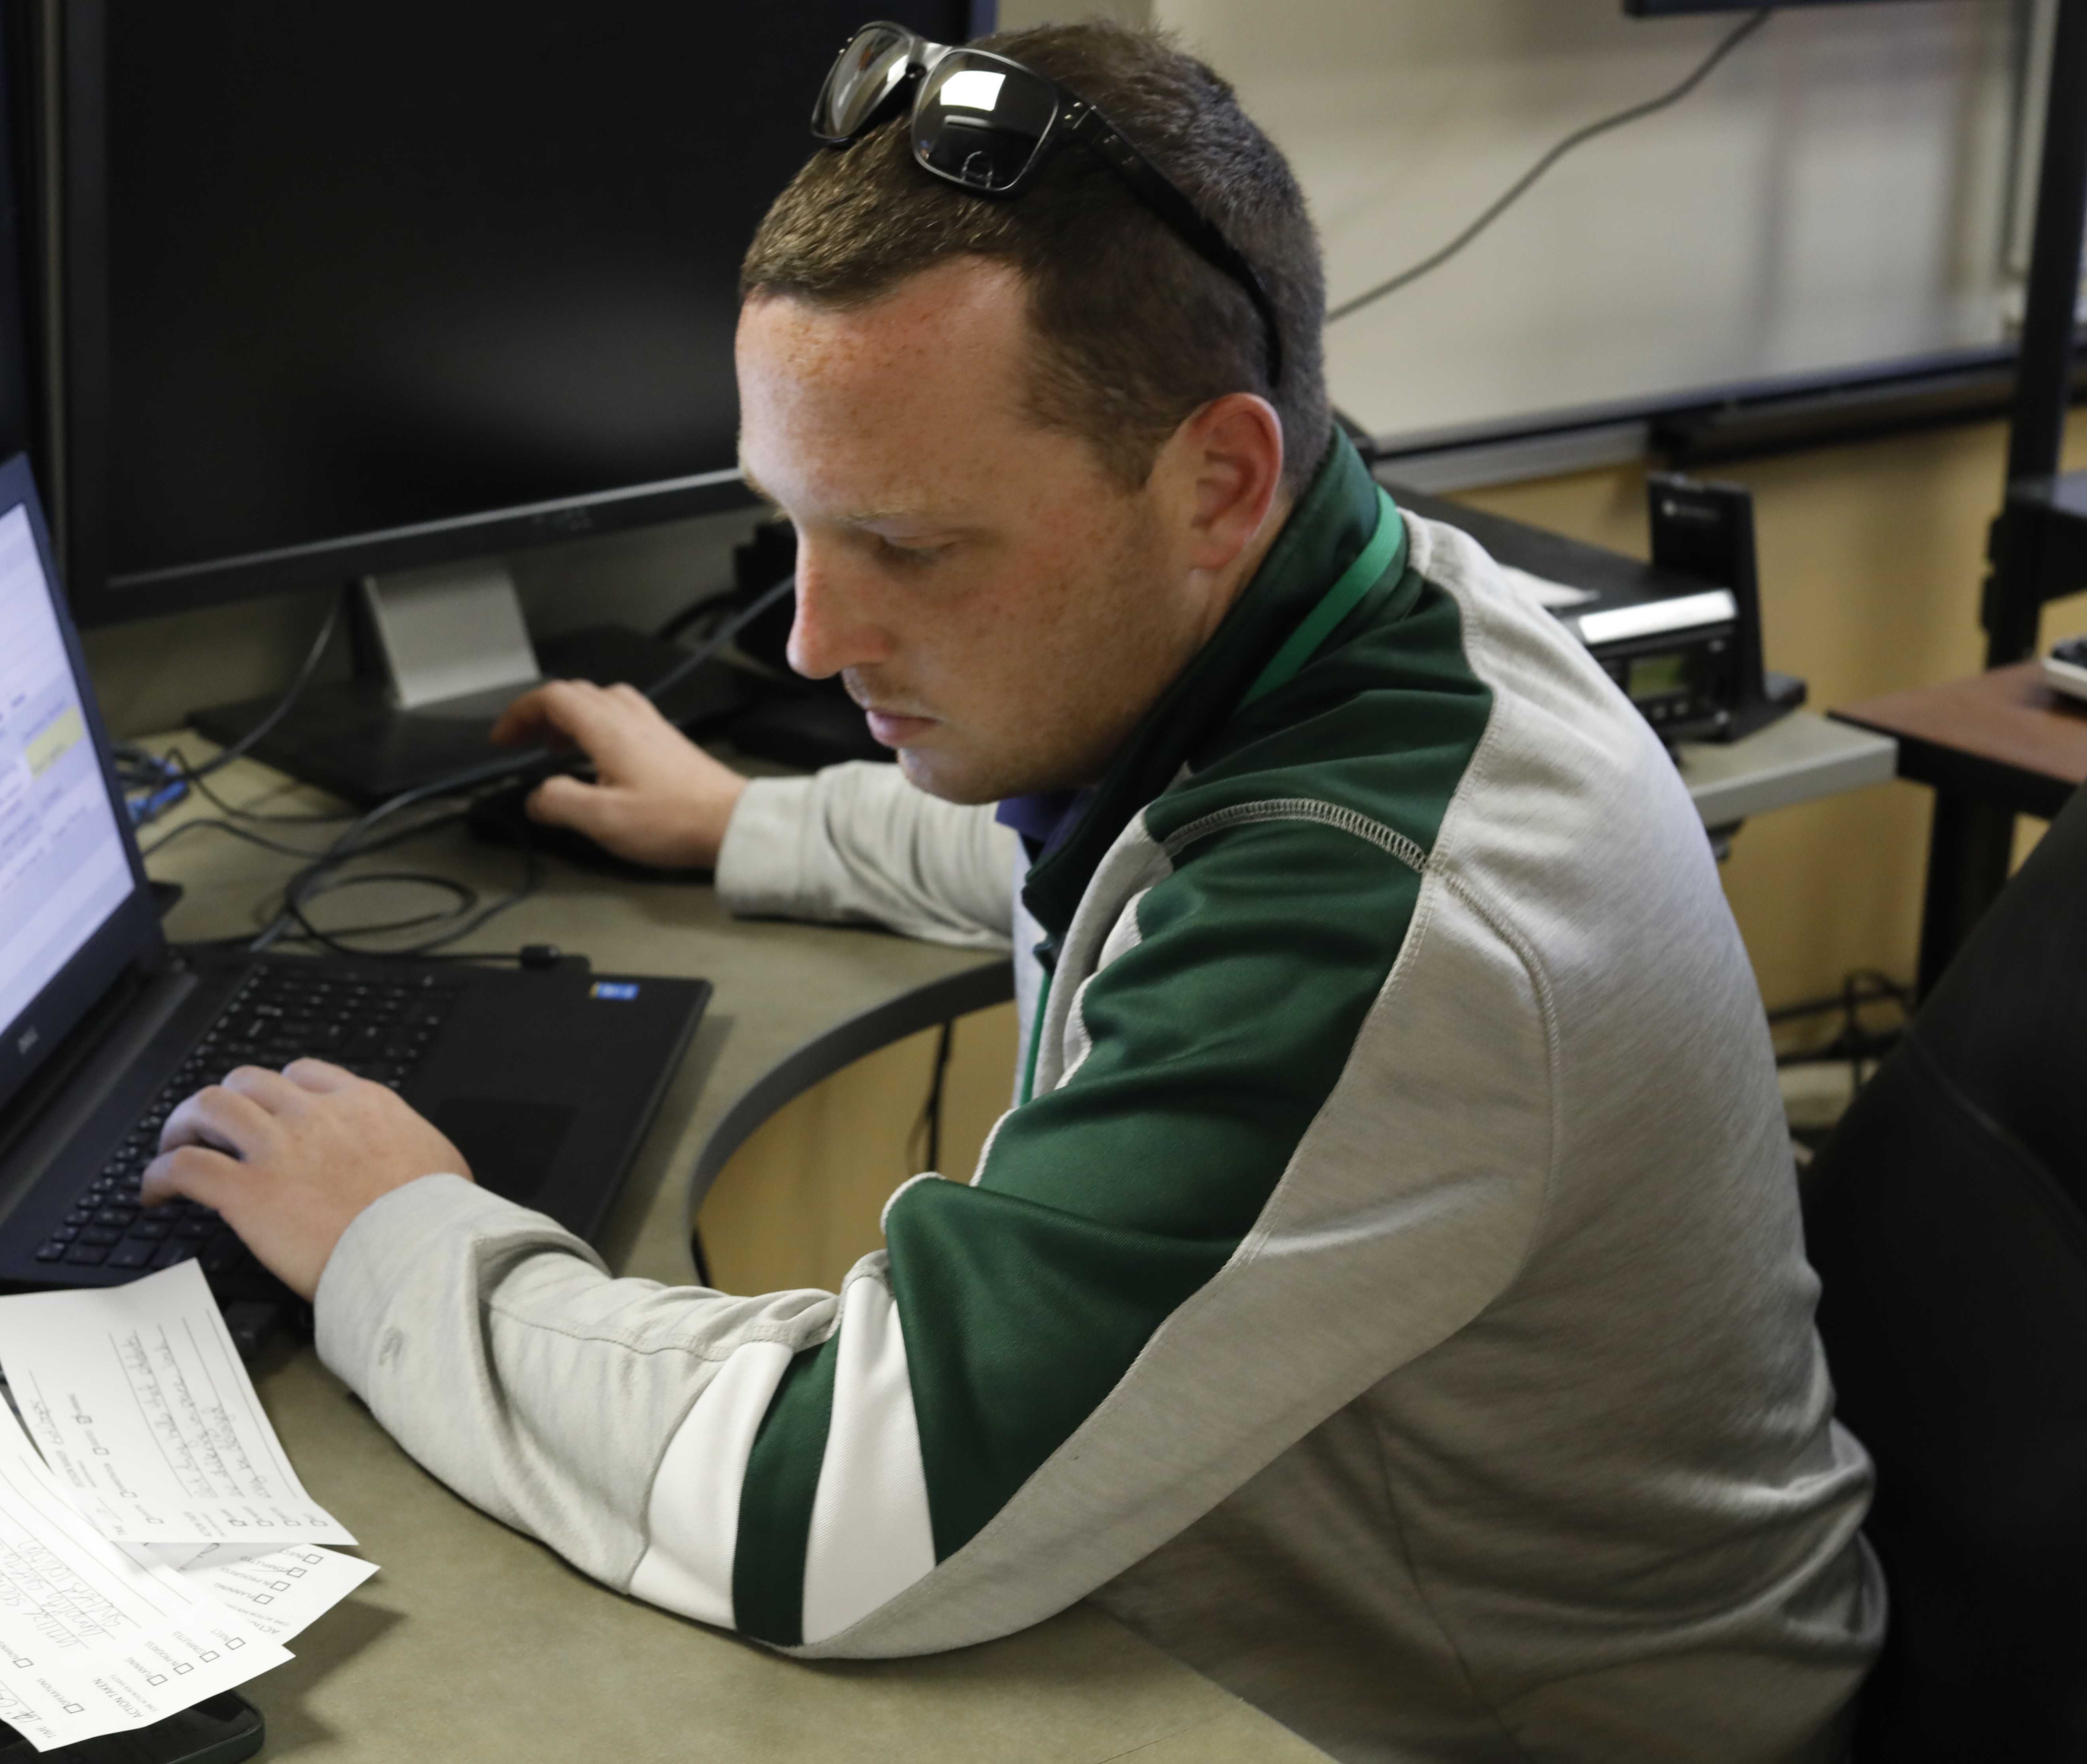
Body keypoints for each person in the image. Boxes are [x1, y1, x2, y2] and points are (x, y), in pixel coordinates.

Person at [142, 21, 1882, 1761]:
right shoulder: (1359, 607)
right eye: (796, 523)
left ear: (1216, 479)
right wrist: (748, 822)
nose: (819, 637)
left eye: (907, 545)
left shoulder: (1383, 908)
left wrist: (393, 1234)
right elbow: (1087, 824)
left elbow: (825, 1521)